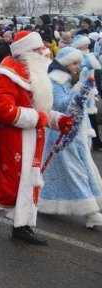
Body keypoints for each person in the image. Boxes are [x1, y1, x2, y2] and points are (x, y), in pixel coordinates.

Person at [0, 31, 75, 245]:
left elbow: (43, 110)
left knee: (30, 183)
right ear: (26, 52)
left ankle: (22, 226)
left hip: (34, 137)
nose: (44, 52)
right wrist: (39, 118)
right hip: (13, 139)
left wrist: (58, 120)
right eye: (38, 50)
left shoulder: (34, 73)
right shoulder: (6, 76)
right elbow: (3, 110)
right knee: (12, 185)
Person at [39, 47, 102, 227]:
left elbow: (79, 108)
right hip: (62, 133)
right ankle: (91, 212)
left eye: (78, 63)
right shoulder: (55, 80)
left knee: (67, 171)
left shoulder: (67, 79)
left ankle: (44, 202)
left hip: (74, 132)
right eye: (74, 63)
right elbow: (60, 105)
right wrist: (79, 88)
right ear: (66, 64)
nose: (77, 66)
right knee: (76, 172)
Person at [71, 34, 102, 150]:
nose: (87, 46)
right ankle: (90, 142)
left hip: (89, 93)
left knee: (90, 118)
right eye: (84, 45)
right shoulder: (79, 58)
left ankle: (95, 141)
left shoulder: (88, 56)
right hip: (82, 92)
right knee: (83, 118)